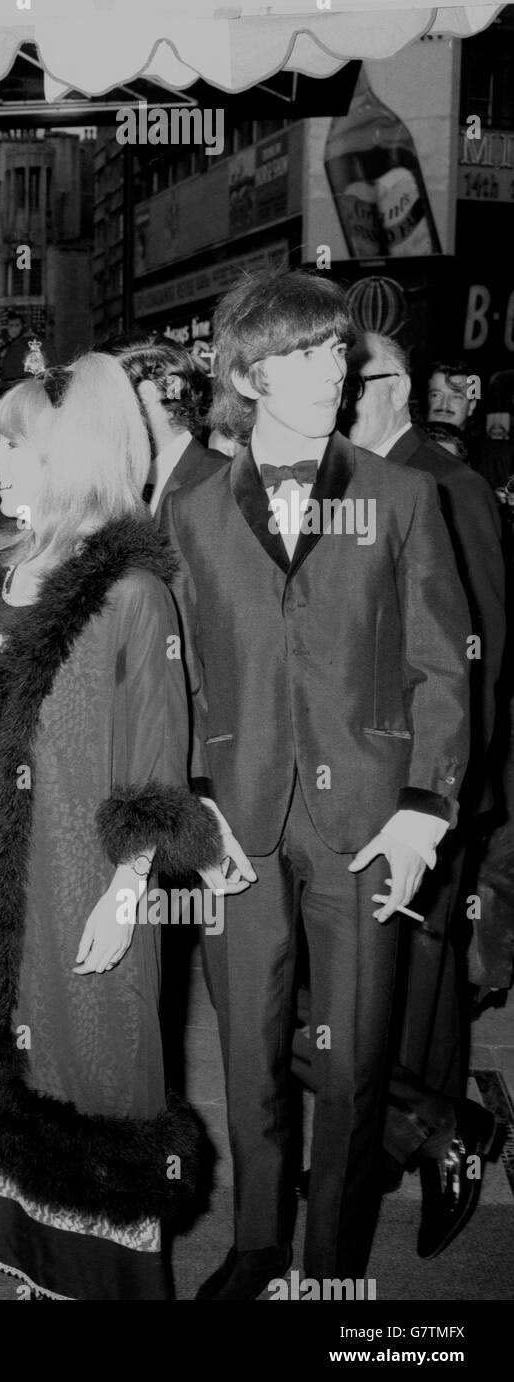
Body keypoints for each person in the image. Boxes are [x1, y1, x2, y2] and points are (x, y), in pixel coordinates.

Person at [0, 355, 223, 1300]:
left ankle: (85, 1277)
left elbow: (153, 761)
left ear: (70, 453)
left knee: (87, 1073)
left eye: (12, 442)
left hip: (79, 882)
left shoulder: (133, 592)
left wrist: (127, 885)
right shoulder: (8, 567)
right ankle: (30, 1274)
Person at [161, 271, 471, 1296]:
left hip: (367, 823)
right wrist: (193, 796)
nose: (333, 367)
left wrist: (426, 809)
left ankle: (330, 1268)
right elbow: (183, 667)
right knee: (250, 1052)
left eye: (338, 349)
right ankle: (256, 1243)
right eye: (306, 351)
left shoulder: (402, 494)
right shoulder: (196, 503)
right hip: (238, 819)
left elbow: (441, 662)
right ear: (250, 372)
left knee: (348, 1068)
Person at [315, 330, 505, 1257]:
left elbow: (477, 657)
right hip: (348, 791)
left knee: (422, 990)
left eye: (361, 377)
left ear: (405, 388)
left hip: (430, 791)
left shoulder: (446, 484)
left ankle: (433, 1146)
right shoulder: (337, 478)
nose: (343, 391)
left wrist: (443, 796)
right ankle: (410, 1138)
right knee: (365, 997)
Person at [105, 332, 225, 511]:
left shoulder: (218, 481)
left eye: (104, 399)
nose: (98, 415)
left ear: (146, 395)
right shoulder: (121, 483)